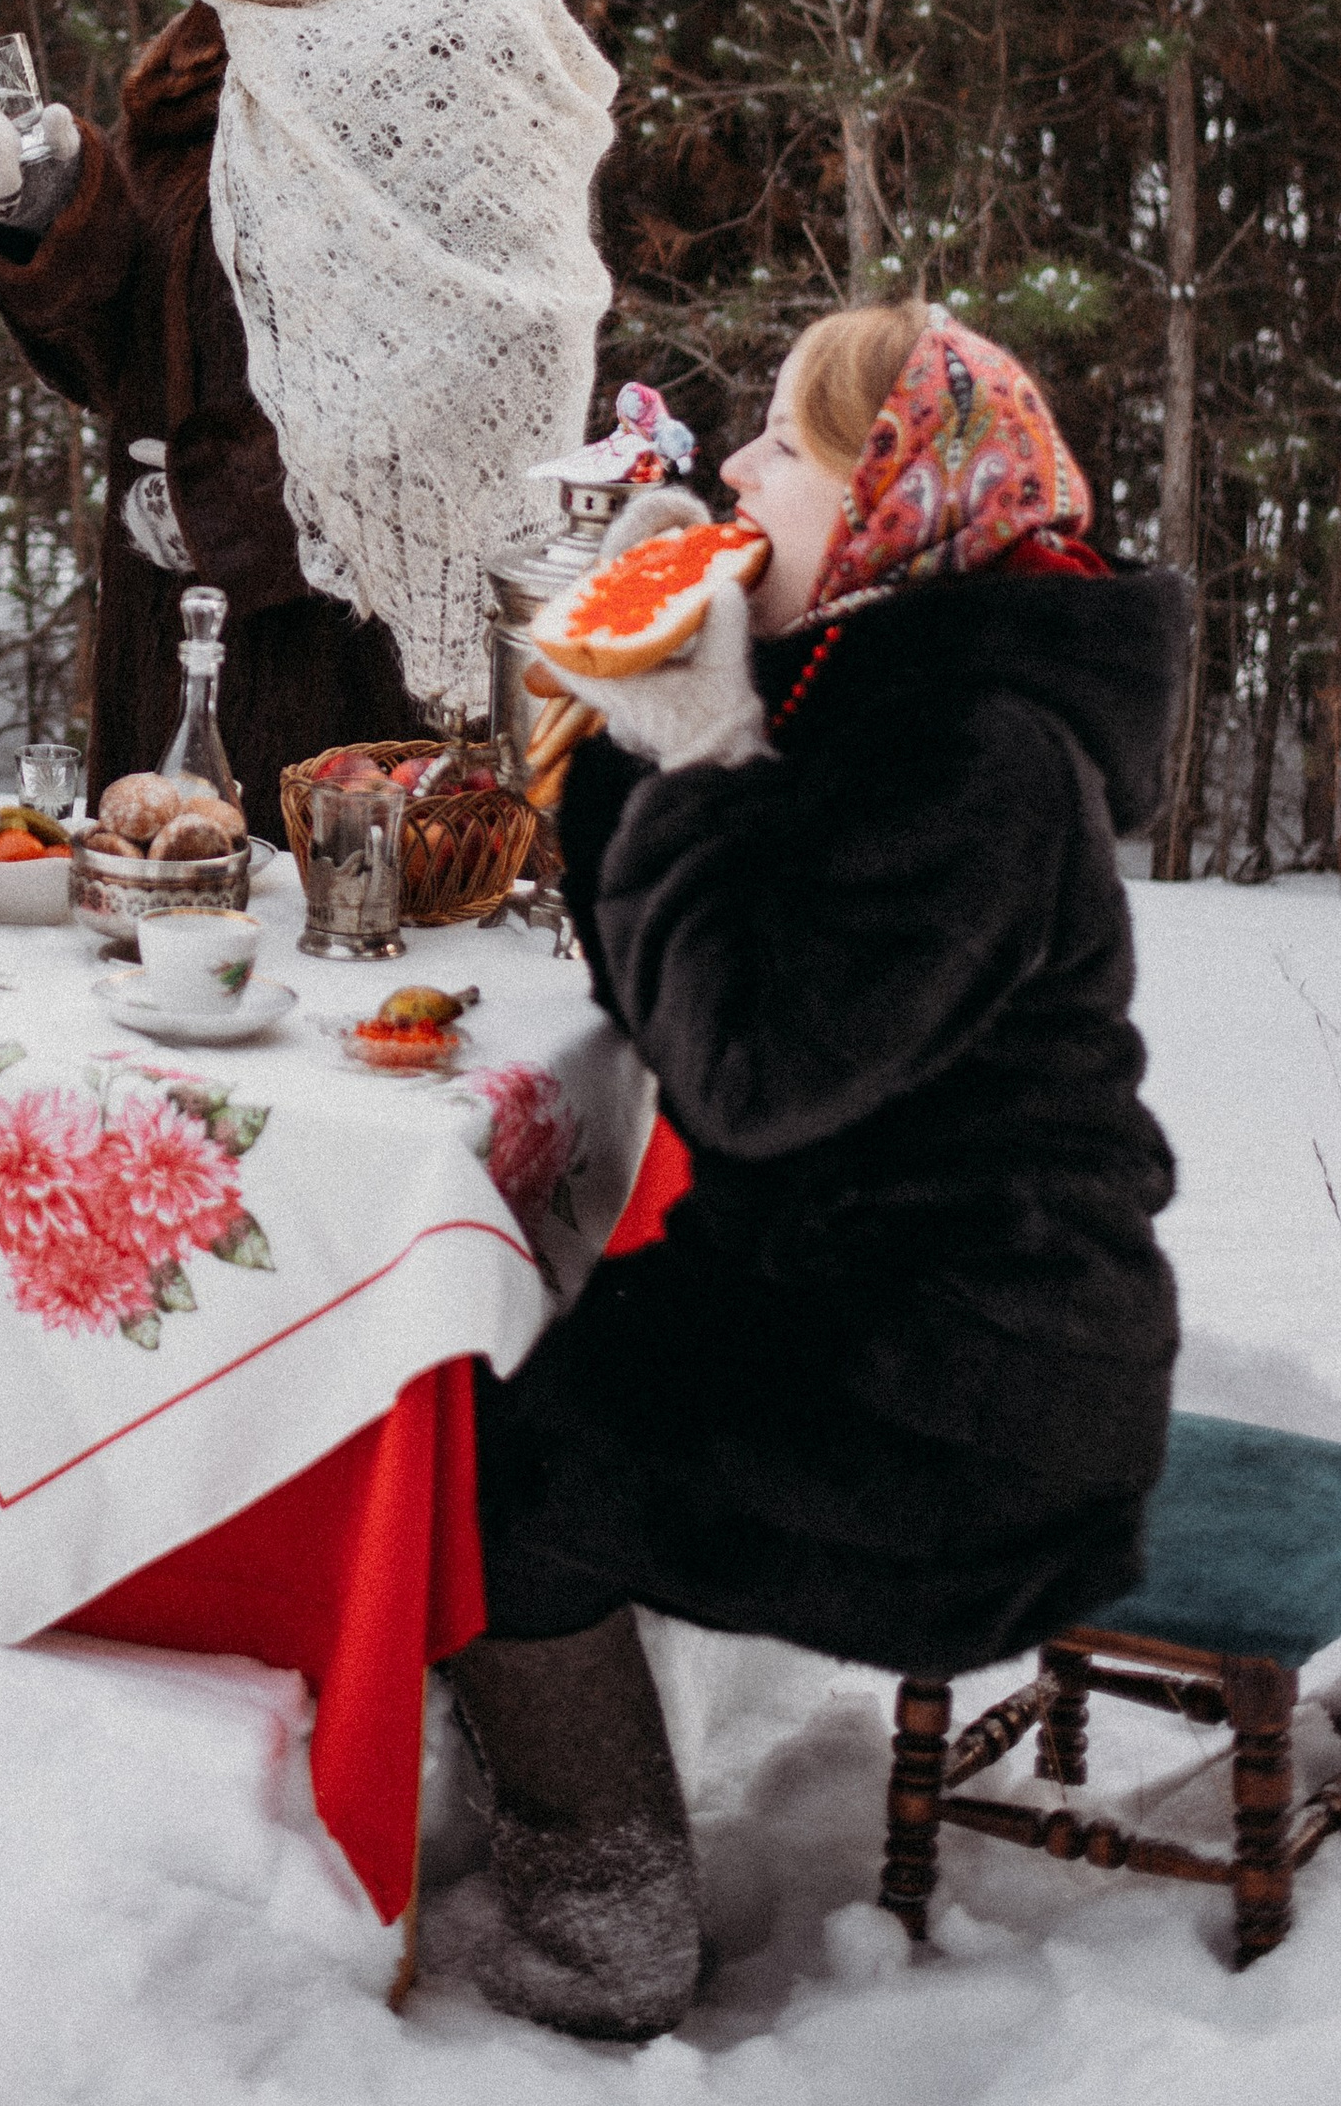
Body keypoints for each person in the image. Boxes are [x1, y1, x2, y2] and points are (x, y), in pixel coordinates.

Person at [438, 302, 1187, 2042]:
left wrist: (693, 752)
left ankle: (608, 1925)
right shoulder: (880, 680)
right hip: (886, 1306)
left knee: (509, 1467)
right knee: (523, 1367)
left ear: (881, 499)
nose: (736, 469)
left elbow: (751, 1073)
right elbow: (674, 987)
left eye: (782, 442)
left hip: (971, 1390)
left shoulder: (972, 751)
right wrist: (646, 729)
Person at [0, 0, 616, 834]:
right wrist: (52, 211)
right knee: (164, 969)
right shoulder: (206, 57)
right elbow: (129, 353)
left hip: (345, 663)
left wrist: (229, 510)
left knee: (339, 976)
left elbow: (493, 356)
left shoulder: (439, 44)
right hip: (173, 646)